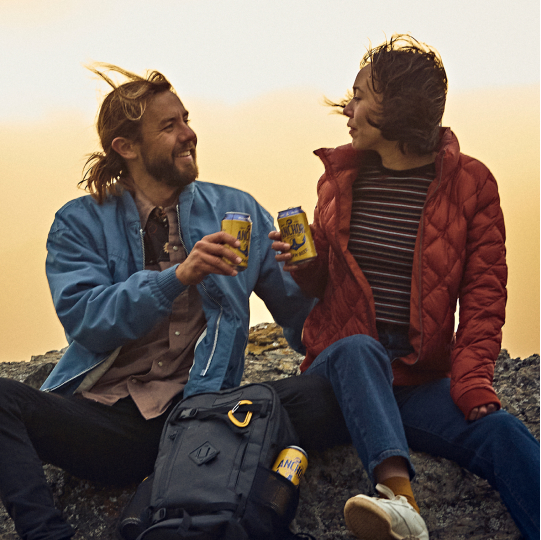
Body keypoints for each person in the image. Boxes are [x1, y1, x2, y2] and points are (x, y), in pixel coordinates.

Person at [0, 64, 322, 540]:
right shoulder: (78, 223)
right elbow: (86, 320)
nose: (189, 134)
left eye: (186, 119)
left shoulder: (237, 208)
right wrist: (177, 277)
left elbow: (303, 326)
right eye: (169, 126)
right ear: (126, 148)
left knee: (348, 376)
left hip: (208, 413)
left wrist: (312, 275)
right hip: (117, 423)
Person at [271, 35, 540, 540]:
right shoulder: (338, 182)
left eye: (359, 95)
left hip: (415, 382)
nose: (347, 108)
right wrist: (303, 265)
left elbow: (484, 295)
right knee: (358, 349)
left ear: (393, 111)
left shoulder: (471, 185)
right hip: (342, 373)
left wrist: (473, 379)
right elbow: (323, 283)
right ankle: (401, 502)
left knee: (502, 432)